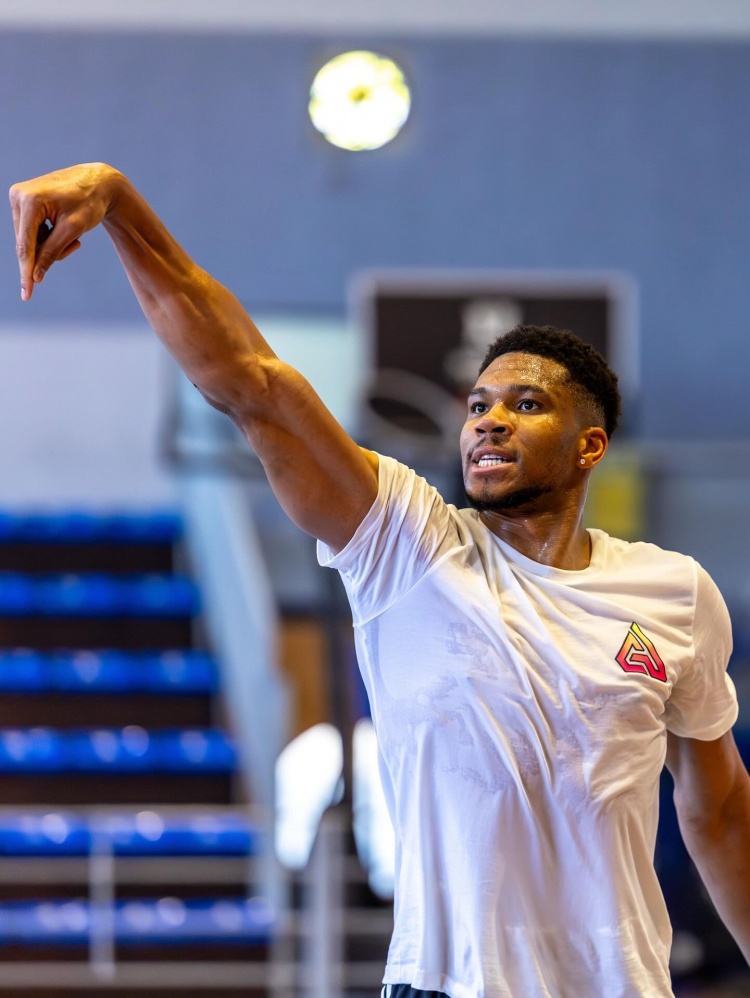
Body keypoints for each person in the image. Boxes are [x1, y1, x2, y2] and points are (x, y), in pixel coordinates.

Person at [9, 164, 750, 998]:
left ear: (590, 445)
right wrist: (119, 204)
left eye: (525, 405)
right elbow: (252, 382)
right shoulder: (409, 544)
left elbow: (720, 809)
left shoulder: (674, 592)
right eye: (478, 406)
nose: (489, 422)